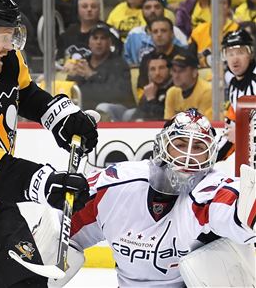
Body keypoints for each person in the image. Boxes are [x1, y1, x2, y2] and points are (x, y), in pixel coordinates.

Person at [0, 0, 98, 287]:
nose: (11, 46)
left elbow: (26, 95)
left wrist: (60, 118)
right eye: (6, 37)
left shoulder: (4, 59)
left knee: (27, 284)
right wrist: (45, 183)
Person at [61, 108, 255, 287]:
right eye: (179, 144)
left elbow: (237, 206)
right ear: (161, 147)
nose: (187, 156)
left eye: (197, 147)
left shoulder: (210, 190)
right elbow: (63, 231)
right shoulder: (115, 185)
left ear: (210, 155)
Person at [66, 23, 135, 119]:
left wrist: (91, 75)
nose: (98, 42)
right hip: (87, 112)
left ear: (110, 43)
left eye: (103, 38)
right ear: (89, 43)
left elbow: (117, 95)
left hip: (117, 112)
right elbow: (73, 93)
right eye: (95, 38)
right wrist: (70, 76)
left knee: (103, 108)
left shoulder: (119, 64)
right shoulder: (82, 63)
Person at [217, 29, 256, 161]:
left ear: (250, 54)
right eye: (230, 53)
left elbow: (238, 132)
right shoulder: (234, 87)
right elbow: (231, 130)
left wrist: (241, 133)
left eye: (240, 52)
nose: (235, 58)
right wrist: (210, 158)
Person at [56, 0, 122, 64]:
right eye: (84, 6)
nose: (89, 9)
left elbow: (114, 62)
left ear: (99, 10)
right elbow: (59, 61)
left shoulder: (109, 32)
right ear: (78, 10)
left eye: (93, 6)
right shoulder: (68, 33)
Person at [124, 0, 187, 67]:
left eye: (157, 7)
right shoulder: (134, 34)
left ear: (163, 10)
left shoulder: (176, 32)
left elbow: (186, 57)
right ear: (142, 11)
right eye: (148, 8)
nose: (152, 11)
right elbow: (125, 60)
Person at [188, 0, 238, 68]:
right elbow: (189, 56)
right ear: (209, 8)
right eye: (215, 3)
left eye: (222, 3)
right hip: (201, 73)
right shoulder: (199, 30)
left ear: (228, 8)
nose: (218, 6)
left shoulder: (237, 29)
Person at [137, 16, 185, 88]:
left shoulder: (184, 56)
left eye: (163, 31)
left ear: (172, 34)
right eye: (155, 31)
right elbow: (142, 87)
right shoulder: (146, 58)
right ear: (151, 35)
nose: (159, 35)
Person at [164, 51, 212, 120]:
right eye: (174, 71)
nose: (176, 76)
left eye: (181, 71)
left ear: (194, 72)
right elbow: (167, 124)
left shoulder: (207, 91)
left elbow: (203, 125)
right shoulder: (172, 92)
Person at [130, 52, 173, 120]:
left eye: (161, 68)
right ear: (148, 73)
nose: (157, 73)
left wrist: (151, 99)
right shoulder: (150, 89)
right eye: (153, 69)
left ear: (170, 70)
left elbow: (163, 117)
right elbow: (136, 117)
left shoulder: (175, 89)